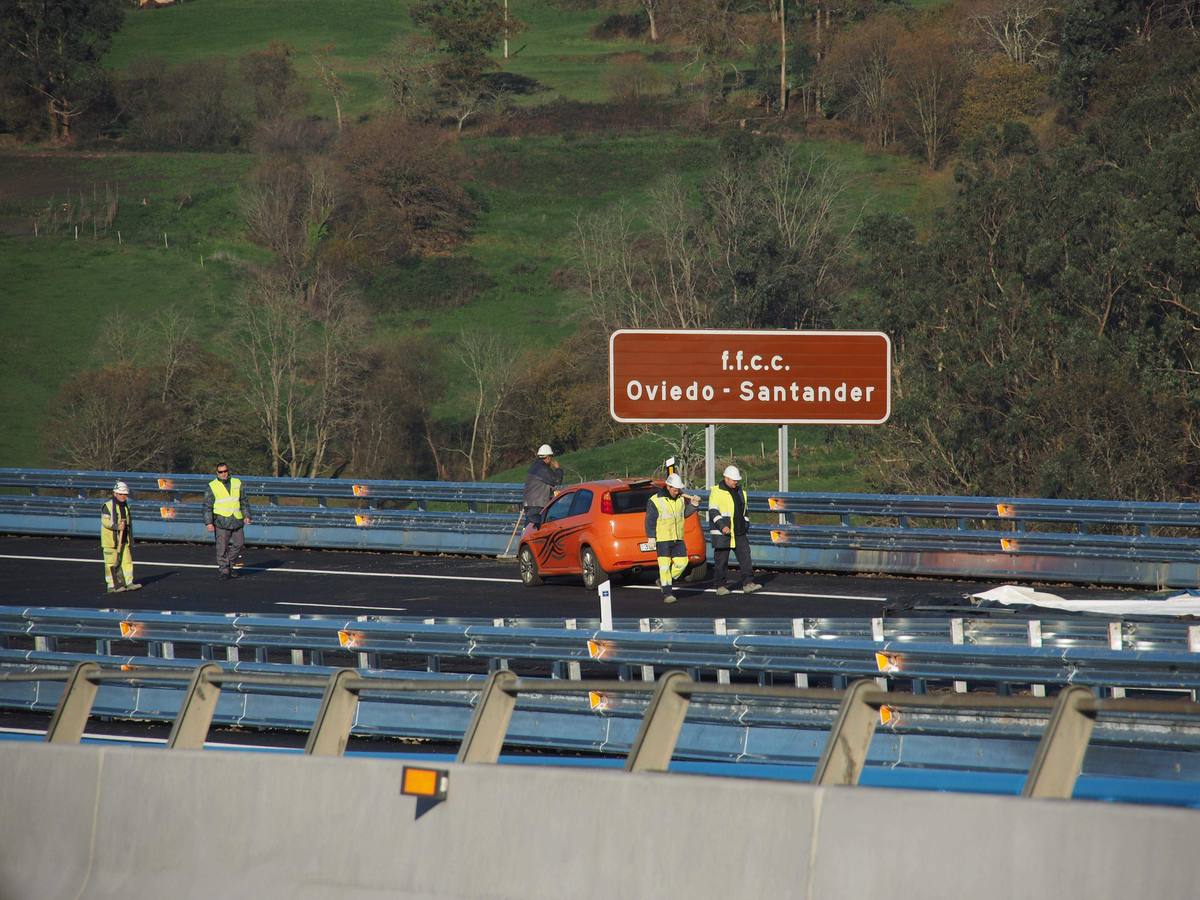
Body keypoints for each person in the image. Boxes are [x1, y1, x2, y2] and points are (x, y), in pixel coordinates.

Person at [645, 472, 701, 604]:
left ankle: (663, 581)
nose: (677, 492)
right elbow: (650, 520)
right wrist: (651, 537)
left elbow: (684, 515)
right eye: (675, 490)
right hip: (663, 539)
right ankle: (667, 593)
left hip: (678, 538)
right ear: (668, 487)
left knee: (682, 563)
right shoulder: (655, 500)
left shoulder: (681, 499)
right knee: (664, 567)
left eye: (678, 490)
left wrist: (693, 505)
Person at [709, 465, 762, 596]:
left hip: (739, 532)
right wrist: (723, 526)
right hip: (723, 534)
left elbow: (745, 511)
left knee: (745, 558)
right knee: (721, 561)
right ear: (726, 478)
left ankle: (748, 583)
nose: (736, 482)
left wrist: (746, 524)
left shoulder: (741, 492)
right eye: (733, 480)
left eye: (737, 480)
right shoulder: (716, 491)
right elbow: (713, 511)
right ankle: (720, 586)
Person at [204, 462, 252, 580]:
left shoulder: (237, 482)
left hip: (236, 519)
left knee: (239, 544)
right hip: (221, 521)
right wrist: (209, 522)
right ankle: (224, 570)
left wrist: (247, 515)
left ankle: (229, 565)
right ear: (217, 473)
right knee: (222, 548)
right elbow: (207, 506)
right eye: (221, 472)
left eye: (225, 471)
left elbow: (244, 501)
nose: (223, 474)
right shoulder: (212, 486)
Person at [101, 481, 142, 594]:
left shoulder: (125, 506)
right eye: (120, 494)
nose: (123, 496)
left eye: (125, 494)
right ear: (115, 493)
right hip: (111, 542)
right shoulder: (108, 506)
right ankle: (112, 585)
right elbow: (105, 522)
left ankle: (128, 583)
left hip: (124, 540)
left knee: (127, 562)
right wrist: (117, 526)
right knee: (111, 563)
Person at [522, 443, 563, 527]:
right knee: (535, 531)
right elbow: (556, 480)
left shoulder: (534, 467)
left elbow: (540, 485)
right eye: (551, 457)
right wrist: (558, 469)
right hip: (537, 506)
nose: (551, 460)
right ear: (548, 457)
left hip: (530, 504)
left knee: (529, 529)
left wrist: (552, 492)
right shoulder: (543, 469)